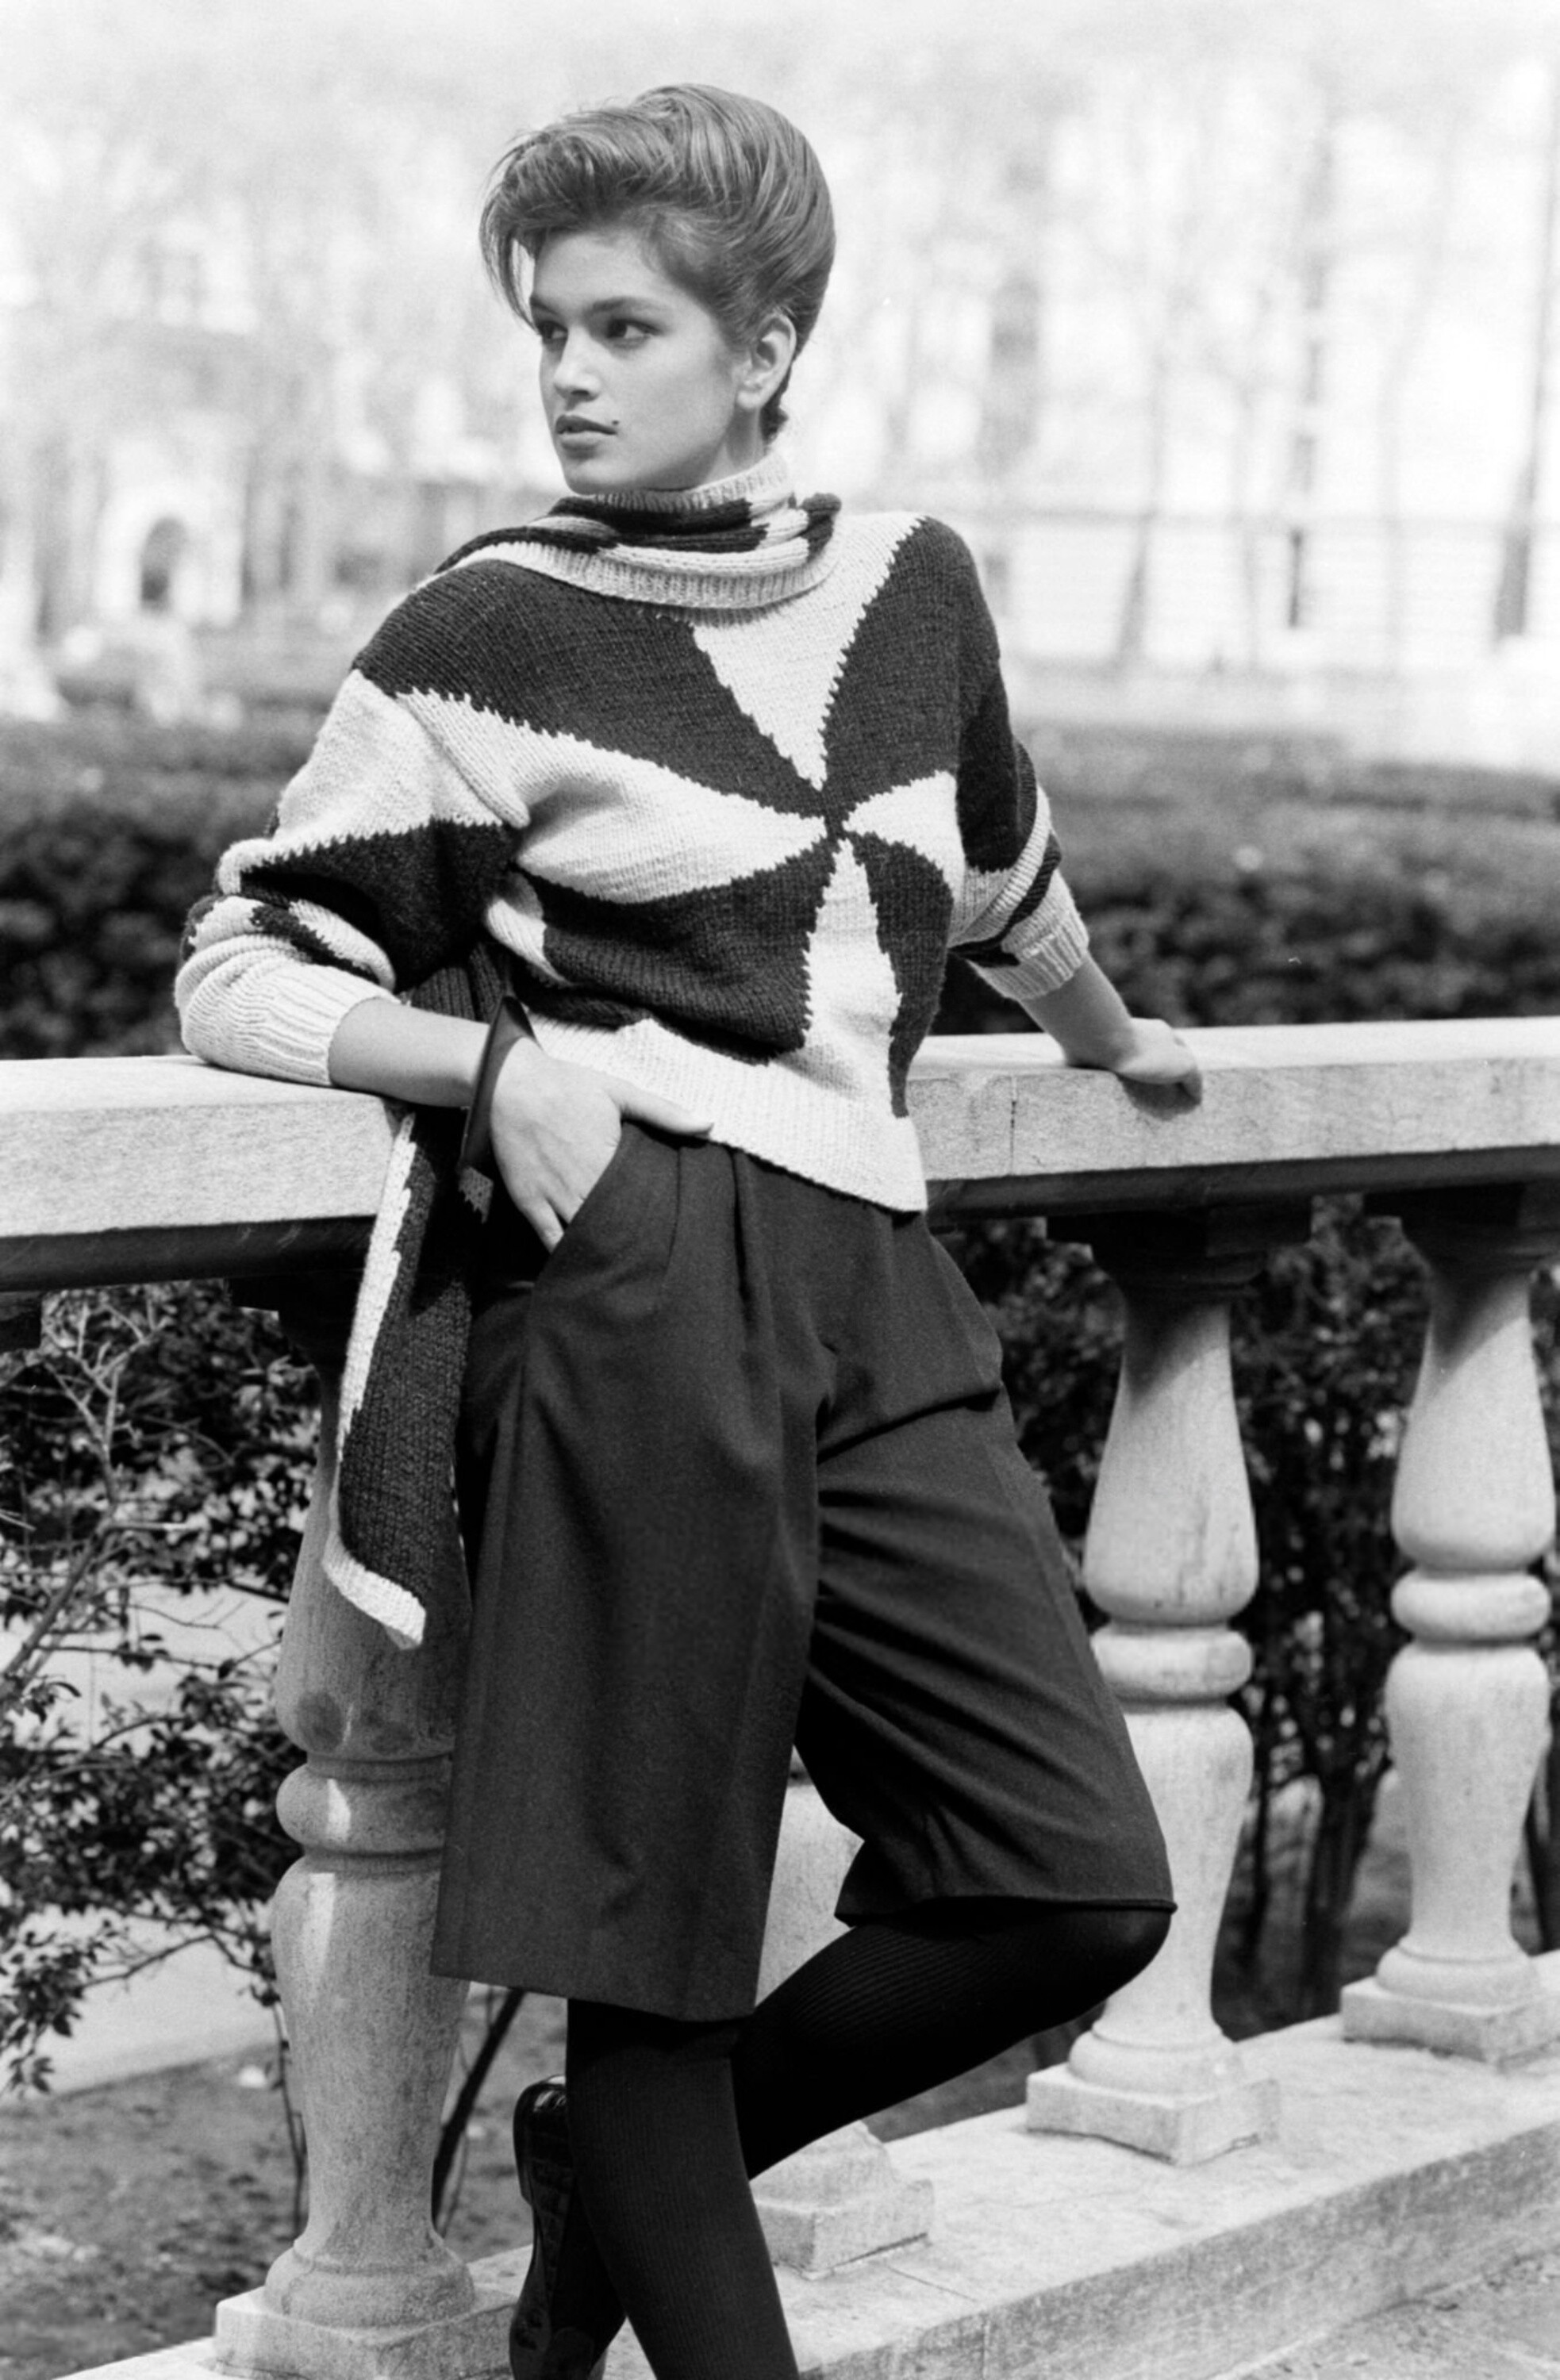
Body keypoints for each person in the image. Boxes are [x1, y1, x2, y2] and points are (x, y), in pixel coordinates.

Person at [177, 83, 1198, 2380]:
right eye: (548, 325)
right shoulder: (482, 633)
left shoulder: (915, 586)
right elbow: (236, 971)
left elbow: (998, 872)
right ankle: (632, 2153)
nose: (566, 370)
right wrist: (496, 1072)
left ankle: (613, 2166)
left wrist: (1117, 1037)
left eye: (622, 326)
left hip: (876, 1270)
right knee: (649, 1966)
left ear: (767, 346)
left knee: (1070, 1876)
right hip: (632, 1281)